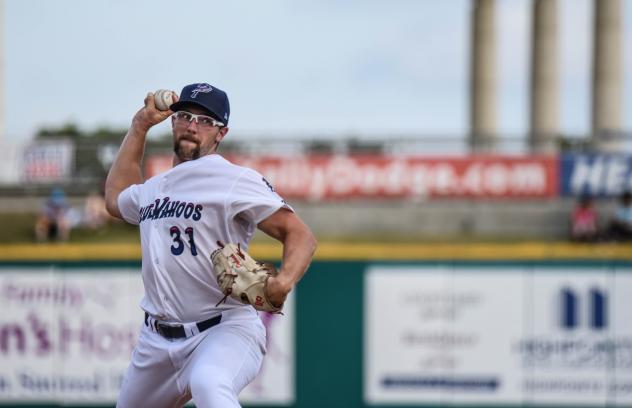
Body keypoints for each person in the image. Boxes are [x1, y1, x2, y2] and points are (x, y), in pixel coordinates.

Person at [104, 82, 317, 408]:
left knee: (209, 382)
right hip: (155, 343)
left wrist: (283, 281)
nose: (192, 126)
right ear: (173, 122)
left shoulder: (233, 179)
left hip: (222, 331)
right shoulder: (154, 187)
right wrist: (140, 125)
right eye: (185, 116)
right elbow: (115, 199)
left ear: (221, 133)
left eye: (206, 121)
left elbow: (300, 234)